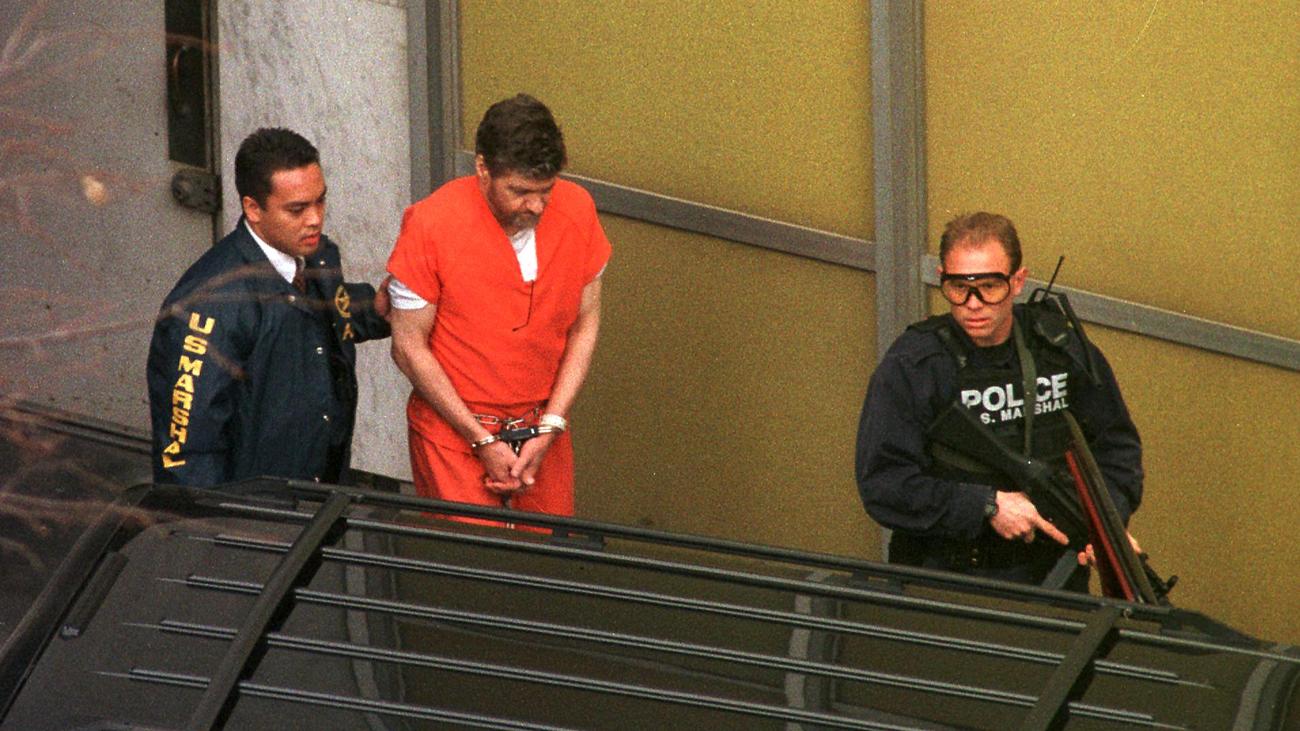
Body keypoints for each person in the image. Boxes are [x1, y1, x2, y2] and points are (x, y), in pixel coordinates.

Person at [855, 212, 1143, 588]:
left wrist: (1105, 526)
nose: (973, 303)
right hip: (946, 576)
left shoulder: (1059, 349)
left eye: (990, 286)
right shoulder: (916, 364)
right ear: (942, 278)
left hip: (1053, 573)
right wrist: (986, 506)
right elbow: (884, 484)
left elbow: (1117, 451)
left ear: (1018, 281)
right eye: (959, 287)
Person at [386, 94, 610, 519]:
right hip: (454, 435)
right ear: (483, 168)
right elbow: (408, 347)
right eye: (520, 191)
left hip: (542, 433)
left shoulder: (578, 210)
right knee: (469, 554)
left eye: (546, 191)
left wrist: (552, 424)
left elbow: (585, 324)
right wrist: (481, 440)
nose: (537, 206)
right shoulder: (431, 225)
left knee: (543, 554)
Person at [147, 128, 390, 486]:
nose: (315, 219)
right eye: (297, 209)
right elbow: (189, 455)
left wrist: (381, 308)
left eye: (320, 201)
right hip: (256, 513)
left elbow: (315, 318)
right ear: (253, 209)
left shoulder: (314, 257)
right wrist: (215, 519)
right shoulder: (211, 306)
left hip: (318, 496)